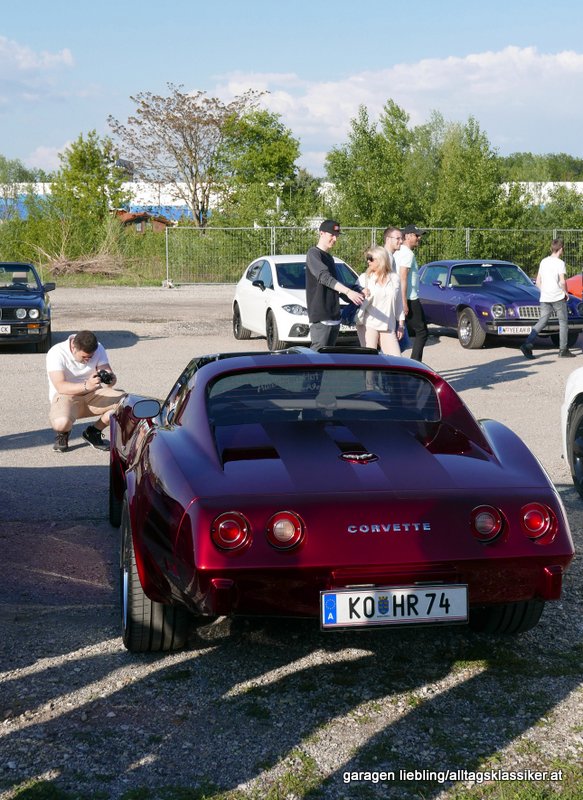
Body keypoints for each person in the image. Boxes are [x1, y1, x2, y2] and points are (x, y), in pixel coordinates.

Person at [46, 330, 126, 452]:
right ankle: (63, 434)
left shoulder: (98, 348)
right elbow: (60, 386)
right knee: (61, 423)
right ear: (73, 348)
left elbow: (108, 376)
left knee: (125, 403)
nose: (88, 360)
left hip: (94, 393)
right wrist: (86, 386)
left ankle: (93, 432)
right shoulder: (56, 352)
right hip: (67, 396)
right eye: (84, 357)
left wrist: (110, 379)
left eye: (91, 357)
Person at [306, 219, 365, 350]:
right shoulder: (313, 253)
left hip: (334, 316)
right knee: (317, 356)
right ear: (321, 233)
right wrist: (348, 292)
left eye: (336, 235)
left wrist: (357, 292)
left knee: (328, 357)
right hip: (321, 316)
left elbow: (336, 285)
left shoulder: (329, 258)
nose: (335, 239)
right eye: (332, 235)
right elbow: (325, 278)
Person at [520, 238, 575, 360]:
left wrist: (544, 291)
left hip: (545, 297)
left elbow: (538, 281)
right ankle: (563, 349)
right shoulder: (560, 263)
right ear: (561, 249)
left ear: (551, 248)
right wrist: (565, 293)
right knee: (563, 322)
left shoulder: (543, 261)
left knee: (542, 321)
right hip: (557, 297)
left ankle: (527, 344)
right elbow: (562, 281)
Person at [356, 246, 406, 355]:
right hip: (368, 324)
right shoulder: (364, 278)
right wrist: (361, 293)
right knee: (369, 359)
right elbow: (354, 298)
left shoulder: (395, 279)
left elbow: (399, 304)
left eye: (371, 258)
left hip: (388, 325)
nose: (368, 261)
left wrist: (401, 325)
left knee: (396, 359)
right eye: (367, 258)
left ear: (381, 260)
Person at [393, 224, 429, 362]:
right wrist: (404, 302)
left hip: (400, 296)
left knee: (397, 331)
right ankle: (415, 364)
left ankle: (395, 361)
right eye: (416, 235)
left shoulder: (397, 251)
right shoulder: (408, 253)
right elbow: (403, 276)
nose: (419, 238)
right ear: (407, 236)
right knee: (422, 332)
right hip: (409, 298)